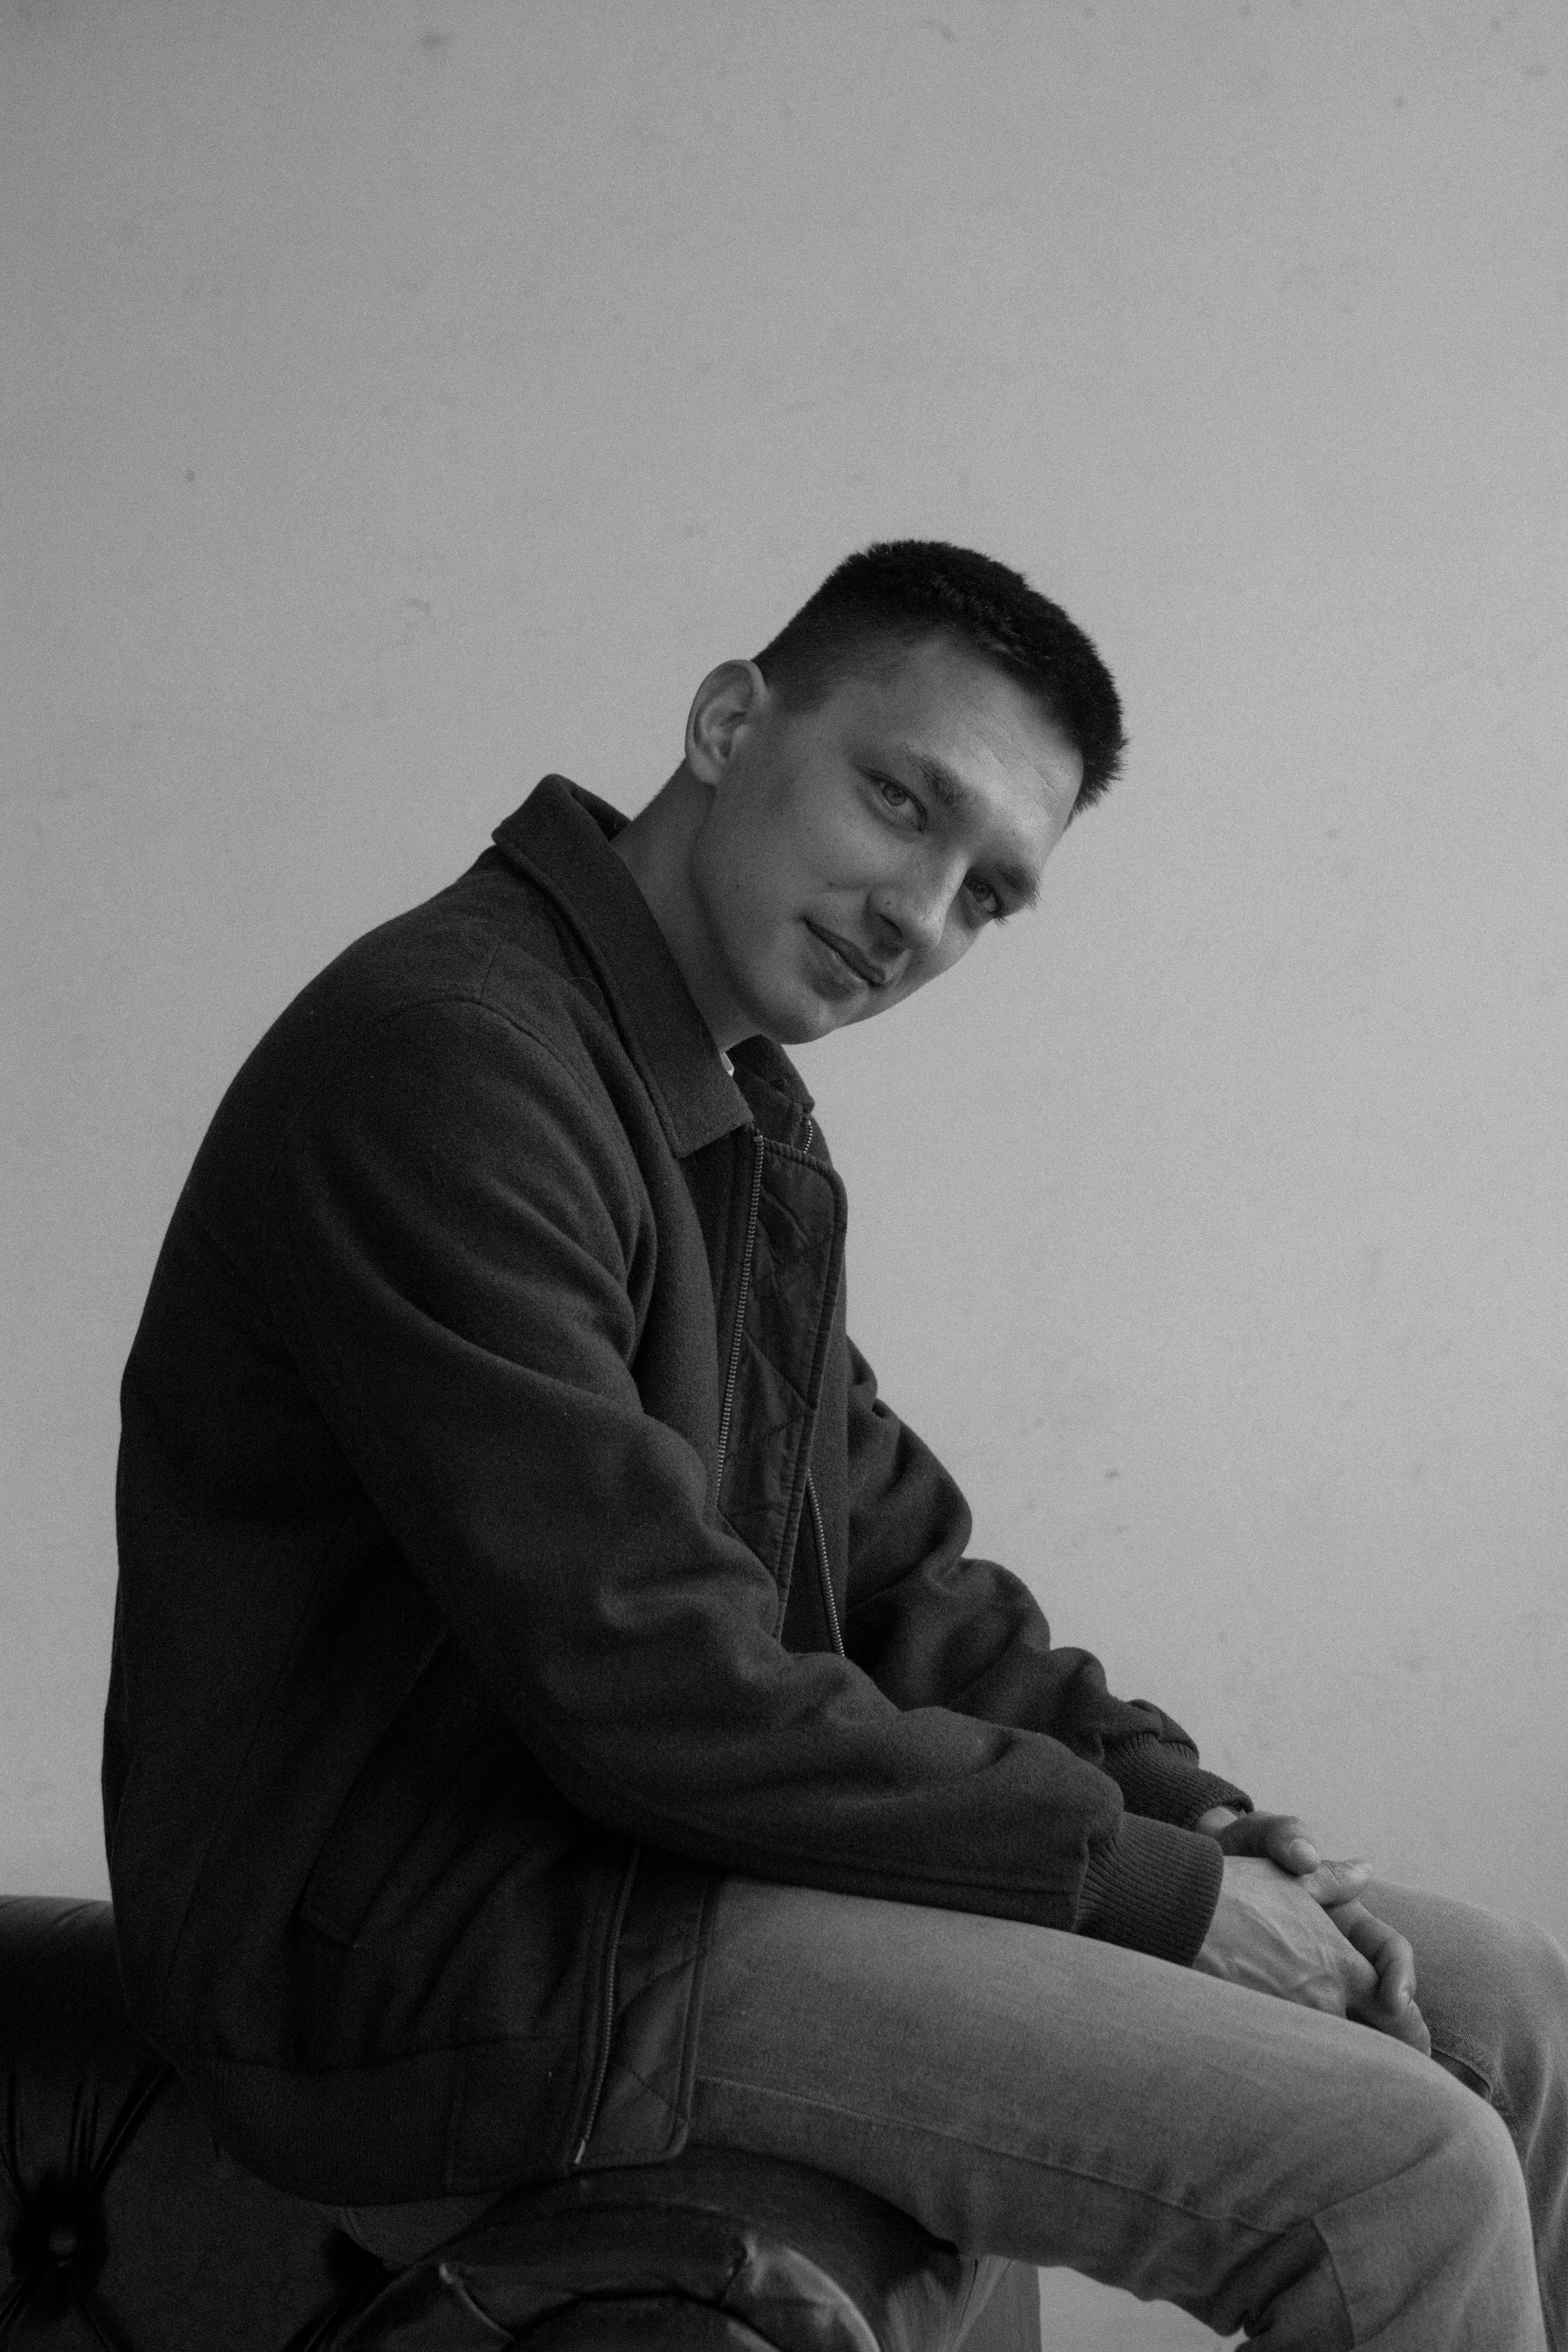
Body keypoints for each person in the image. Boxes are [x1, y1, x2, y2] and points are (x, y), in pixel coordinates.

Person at [106, 541, 1565, 2347]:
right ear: (731, 722)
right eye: (902, 801)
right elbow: (654, 1685)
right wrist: (1158, 1896)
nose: (920, 915)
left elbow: (896, 1577)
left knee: (1501, 2001)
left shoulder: (734, 1120)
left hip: (649, 1876)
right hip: (439, 1955)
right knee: (1398, 2171)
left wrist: (1186, 1811)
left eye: (989, 894)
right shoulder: (451, 1060)